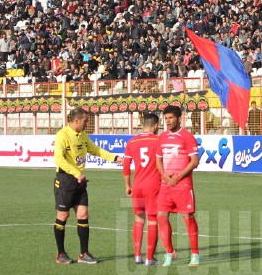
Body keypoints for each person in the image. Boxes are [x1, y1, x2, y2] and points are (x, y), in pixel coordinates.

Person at [53, 108, 123, 264]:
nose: (87, 124)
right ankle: (60, 254)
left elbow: (95, 150)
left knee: (83, 215)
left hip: (79, 181)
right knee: (63, 216)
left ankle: (83, 253)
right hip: (65, 180)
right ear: (77, 121)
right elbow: (58, 159)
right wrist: (76, 173)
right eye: (85, 121)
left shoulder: (83, 135)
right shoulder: (62, 135)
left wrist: (115, 157)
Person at [155, 105, 201, 266]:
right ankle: (169, 252)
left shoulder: (187, 137)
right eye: (165, 118)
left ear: (179, 118)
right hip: (166, 184)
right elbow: (158, 161)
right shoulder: (161, 137)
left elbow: (195, 161)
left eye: (171, 118)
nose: (168, 121)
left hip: (183, 185)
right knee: (161, 216)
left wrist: (179, 176)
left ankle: (195, 254)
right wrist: (165, 176)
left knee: (188, 218)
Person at [122, 113, 162, 266]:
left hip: (137, 187)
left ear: (142, 125)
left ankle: (137, 256)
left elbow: (126, 166)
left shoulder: (132, 142)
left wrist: (128, 185)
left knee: (138, 220)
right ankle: (150, 258)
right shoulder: (159, 141)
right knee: (153, 222)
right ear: (156, 125)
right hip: (153, 187)